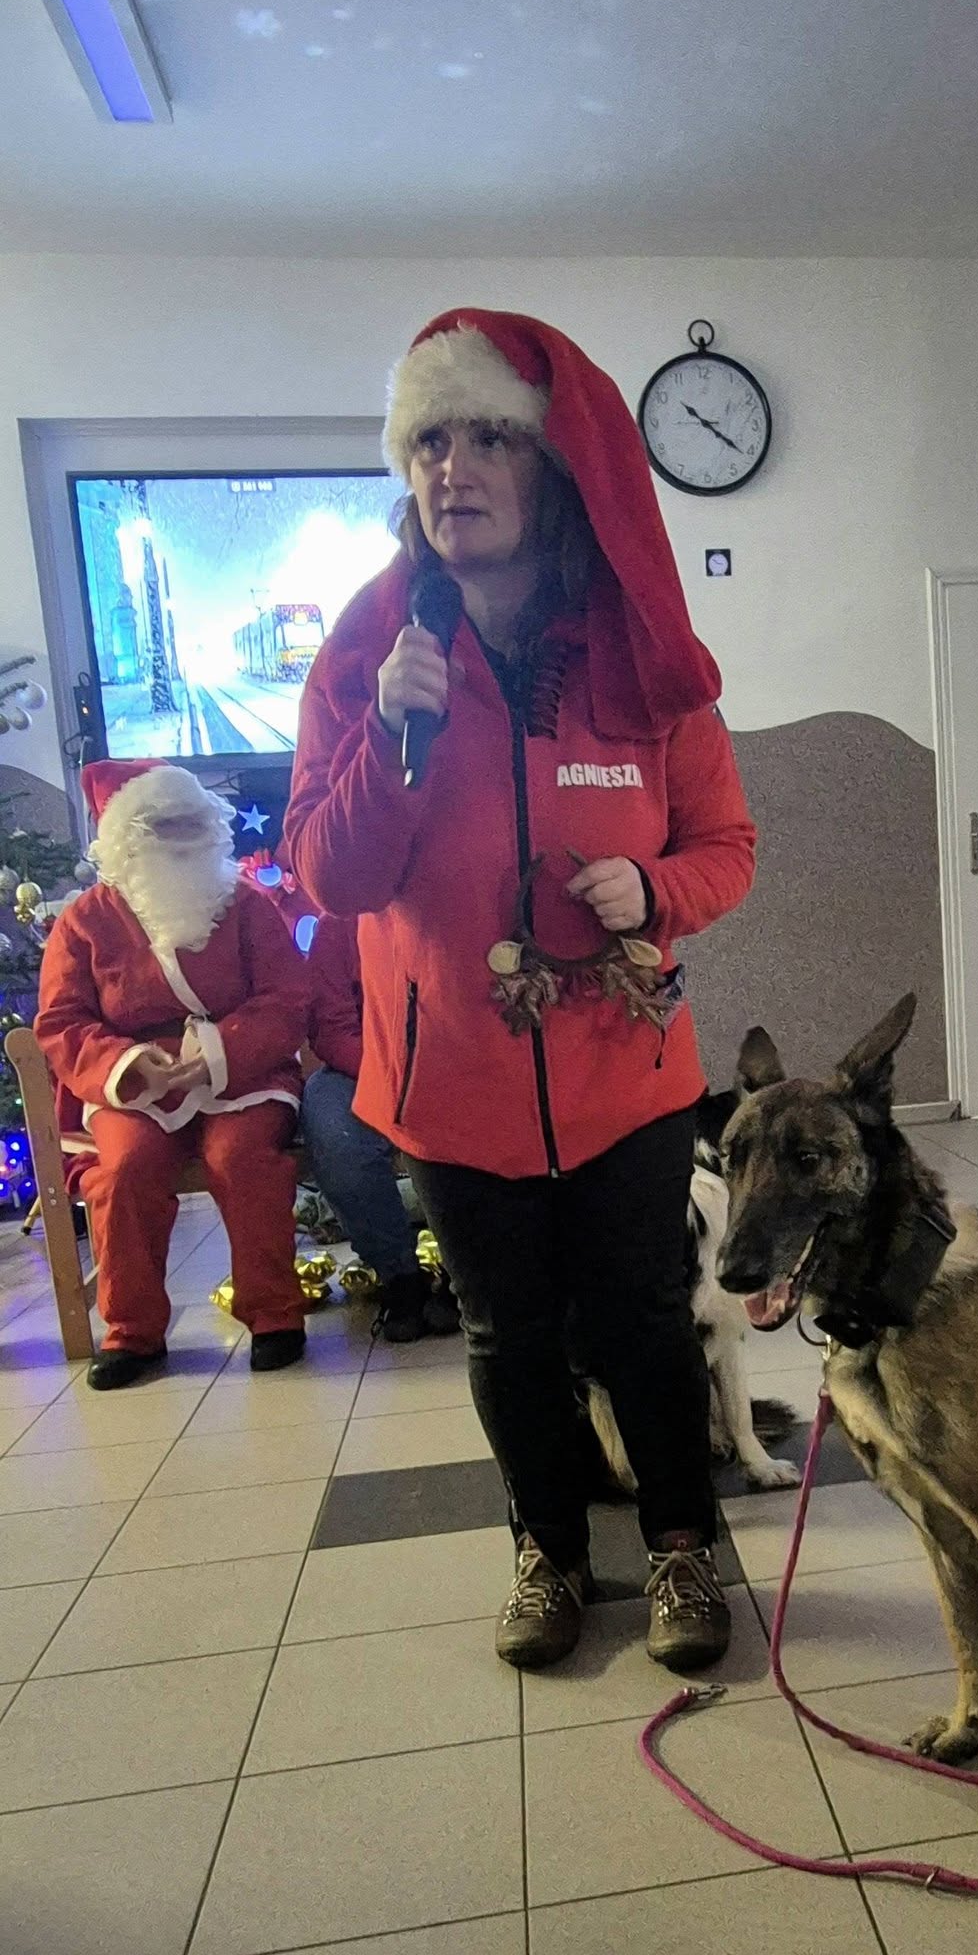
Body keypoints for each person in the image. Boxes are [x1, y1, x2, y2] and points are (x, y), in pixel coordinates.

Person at [285, 308, 755, 1677]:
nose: (454, 466)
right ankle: (547, 1548)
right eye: (430, 439)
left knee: (643, 1322)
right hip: (448, 1075)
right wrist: (390, 729)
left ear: (549, 467)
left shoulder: (638, 652)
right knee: (506, 1335)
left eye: (488, 436)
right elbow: (329, 874)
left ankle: (679, 1546)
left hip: (626, 1076)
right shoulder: (363, 654)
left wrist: (653, 892)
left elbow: (726, 846)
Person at [36, 760, 309, 1389]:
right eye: (165, 826)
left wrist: (216, 1050)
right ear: (127, 836)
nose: (182, 838)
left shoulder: (247, 904)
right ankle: (132, 1332)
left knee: (240, 1158)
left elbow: (287, 998)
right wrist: (127, 1064)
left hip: (241, 1070)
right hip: (136, 1086)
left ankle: (275, 1314)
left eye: (193, 823)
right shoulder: (84, 922)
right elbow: (61, 1022)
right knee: (125, 1168)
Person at [299, 910, 458, 1342]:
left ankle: (461, 1273)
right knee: (337, 1139)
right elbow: (330, 1027)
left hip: (447, 1064)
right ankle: (400, 1278)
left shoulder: (447, 906)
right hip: (358, 1068)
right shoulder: (336, 923)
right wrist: (386, 1076)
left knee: (471, 1125)